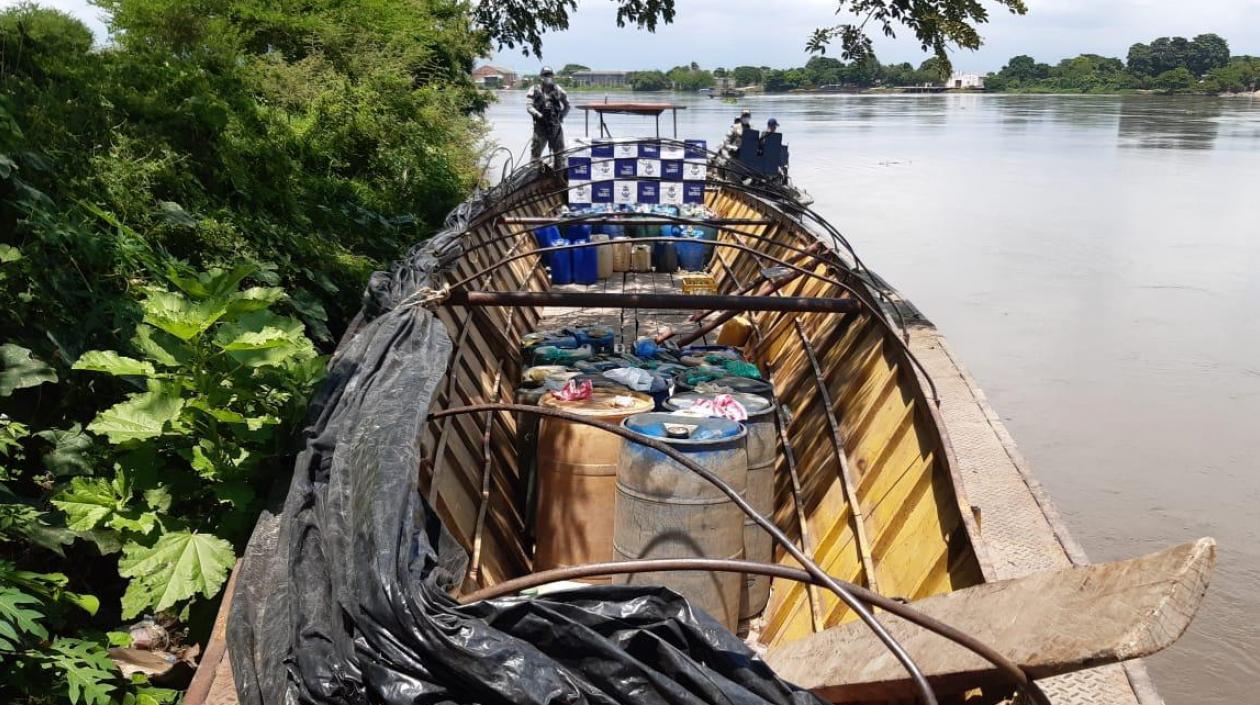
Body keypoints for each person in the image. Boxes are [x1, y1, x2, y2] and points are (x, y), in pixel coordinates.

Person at [525, 66, 570, 169]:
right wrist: (538, 114)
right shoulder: (534, 89)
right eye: (545, 75)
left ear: (553, 76)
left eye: (549, 75)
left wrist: (562, 116)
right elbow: (529, 106)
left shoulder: (558, 89)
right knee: (536, 151)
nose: (547, 77)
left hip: (555, 125)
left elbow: (567, 105)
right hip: (540, 125)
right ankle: (535, 171)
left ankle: (559, 173)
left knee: (559, 153)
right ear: (541, 76)